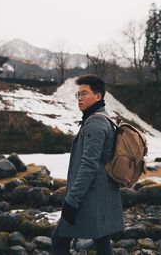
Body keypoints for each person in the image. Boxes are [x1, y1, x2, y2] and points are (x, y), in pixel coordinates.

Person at [51, 74, 124, 255]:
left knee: (58, 239)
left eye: (84, 94)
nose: (80, 99)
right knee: (102, 240)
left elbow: (88, 166)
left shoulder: (95, 123)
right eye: (78, 95)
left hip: (88, 197)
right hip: (100, 196)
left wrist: (72, 201)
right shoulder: (102, 118)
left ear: (98, 96)